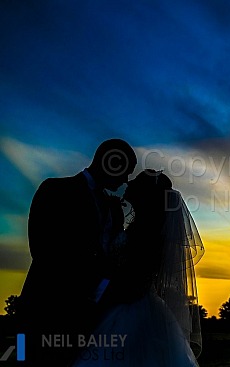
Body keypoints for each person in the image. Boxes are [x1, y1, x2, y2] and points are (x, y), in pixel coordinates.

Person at [17, 138, 137, 366]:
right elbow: (42, 250)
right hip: (43, 308)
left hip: (87, 318)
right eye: (124, 171)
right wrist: (98, 286)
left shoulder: (113, 207)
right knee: (28, 361)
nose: (125, 180)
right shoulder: (55, 189)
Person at [70, 169, 205, 367]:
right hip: (130, 305)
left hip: (131, 310)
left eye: (136, 181)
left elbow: (134, 279)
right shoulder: (138, 228)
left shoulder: (148, 235)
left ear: (145, 195)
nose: (129, 182)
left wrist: (102, 296)